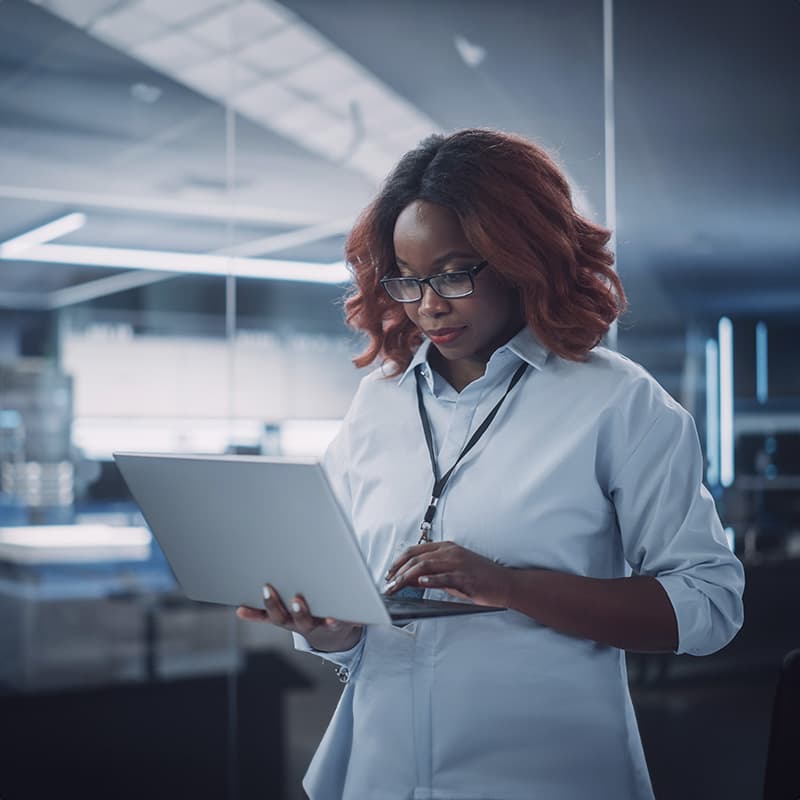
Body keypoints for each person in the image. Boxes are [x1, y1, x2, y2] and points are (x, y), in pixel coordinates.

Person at [237, 128, 745, 800]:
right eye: (409, 280)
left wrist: (511, 587)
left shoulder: (618, 404)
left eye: (453, 273)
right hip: (376, 773)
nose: (429, 306)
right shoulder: (377, 405)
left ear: (519, 255)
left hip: (542, 776)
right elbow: (358, 614)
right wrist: (330, 630)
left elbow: (710, 607)